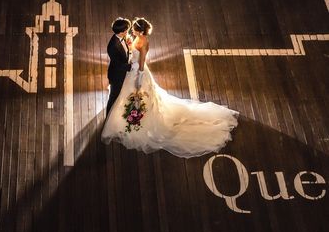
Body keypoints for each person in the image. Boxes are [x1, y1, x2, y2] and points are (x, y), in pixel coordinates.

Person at [101, 17, 238, 158]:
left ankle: (129, 117)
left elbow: (141, 62)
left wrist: (139, 78)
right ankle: (116, 114)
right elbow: (121, 60)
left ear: (140, 32)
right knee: (120, 94)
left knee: (136, 96)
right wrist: (130, 55)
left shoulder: (143, 42)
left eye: (133, 29)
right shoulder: (120, 43)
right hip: (126, 71)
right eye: (128, 30)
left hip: (137, 72)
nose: (131, 31)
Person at [106, 18, 133, 115]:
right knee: (114, 97)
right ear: (121, 32)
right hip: (116, 76)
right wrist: (132, 67)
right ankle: (109, 116)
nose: (127, 31)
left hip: (123, 71)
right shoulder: (112, 46)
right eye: (126, 30)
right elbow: (118, 65)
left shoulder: (122, 37)